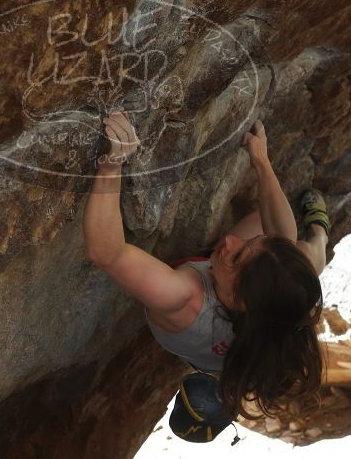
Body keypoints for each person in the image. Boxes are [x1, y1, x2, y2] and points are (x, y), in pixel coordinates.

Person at [83, 111, 329, 428]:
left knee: (303, 253)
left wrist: (111, 164)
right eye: (251, 242)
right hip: (228, 320)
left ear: (241, 301)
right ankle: (319, 232)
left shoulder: (183, 298)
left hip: (200, 310)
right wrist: (260, 161)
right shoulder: (277, 315)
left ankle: (318, 231)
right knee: (301, 257)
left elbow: (107, 252)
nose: (229, 240)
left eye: (237, 258)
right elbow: (280, 237)